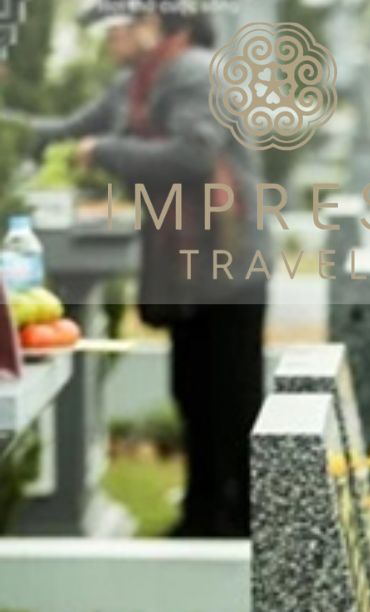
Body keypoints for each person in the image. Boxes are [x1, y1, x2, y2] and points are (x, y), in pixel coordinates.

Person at [30, 1, 266, 538]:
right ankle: (204, 518)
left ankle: (242, 523)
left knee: (228, 400)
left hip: (224, 263)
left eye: (115, 29)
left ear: (152, 26)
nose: (108, 41)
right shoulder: (138, 82)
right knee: (193, 394)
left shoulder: (193, 73)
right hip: (190, 267)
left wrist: (105, 150)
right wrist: (20, 132)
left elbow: (195, 155)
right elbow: (70, 130)